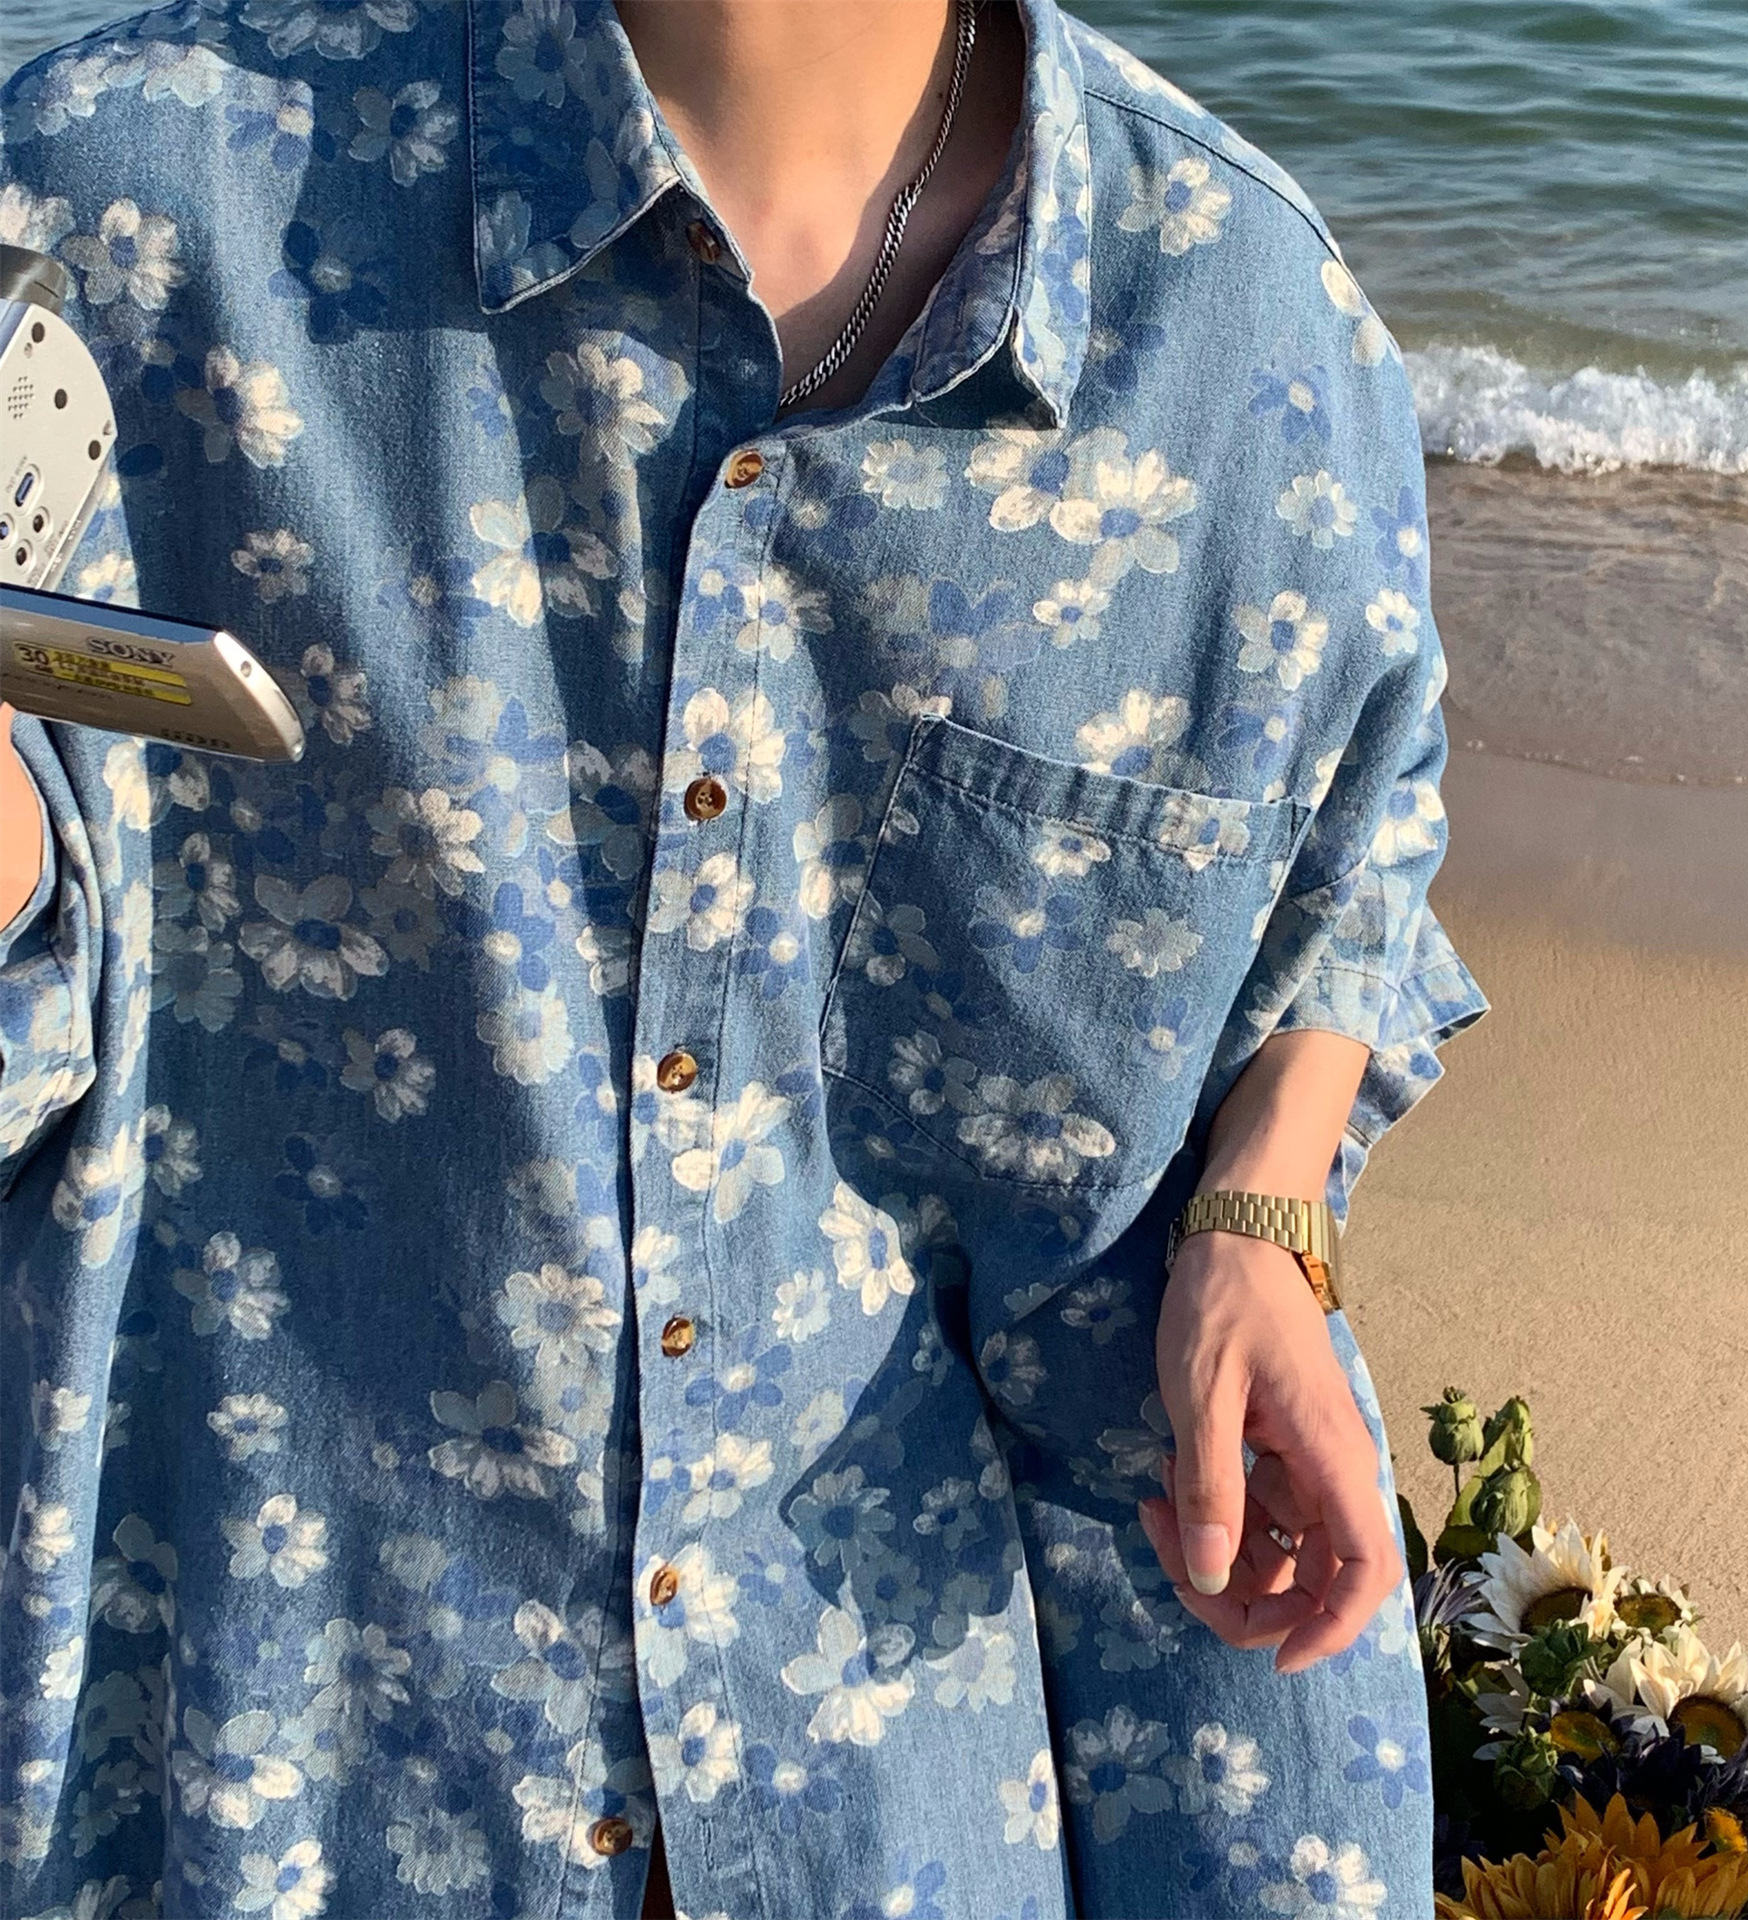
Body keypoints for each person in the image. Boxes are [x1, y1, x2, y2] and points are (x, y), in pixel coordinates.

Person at [0, 0, 1490, 1913]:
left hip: (908, 1780)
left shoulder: (1232, 328)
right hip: (288, 1761)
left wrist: (1266, 1202)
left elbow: (1349, 834)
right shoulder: (124, 217)